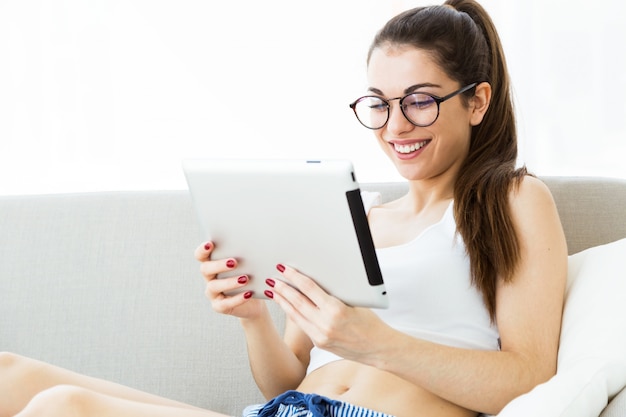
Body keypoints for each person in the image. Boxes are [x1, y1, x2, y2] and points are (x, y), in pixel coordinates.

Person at [0, 1, 568, 416]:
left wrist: (374, 342)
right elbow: (283, 382)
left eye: (419, 101)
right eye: (379, 104)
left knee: (63, 407)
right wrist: (253, 318)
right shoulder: (353, 219)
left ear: (477, 100)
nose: (395, 127)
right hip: (286, 413)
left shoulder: (512, 201)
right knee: (9, 376)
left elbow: (531, 377)